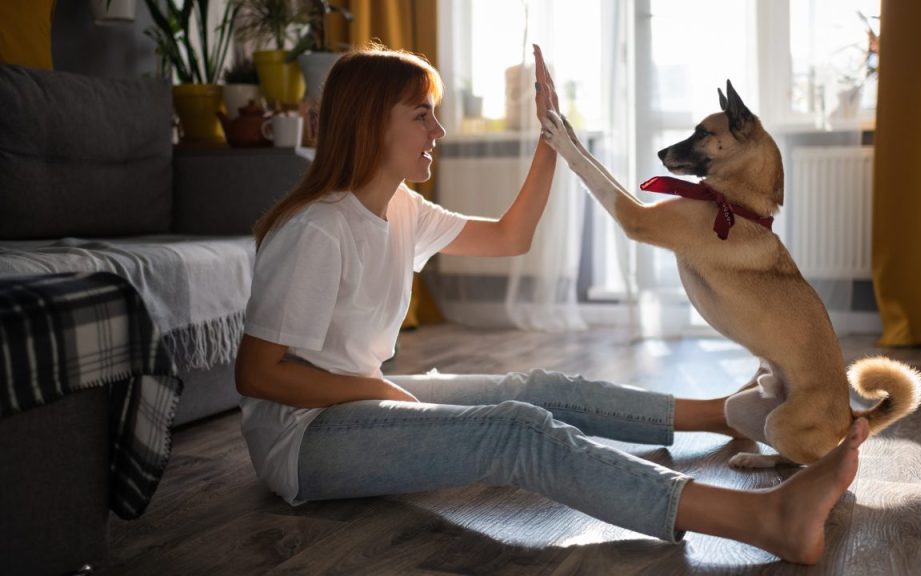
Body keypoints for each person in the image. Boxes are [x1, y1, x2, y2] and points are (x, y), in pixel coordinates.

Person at [234, 42, 868, 566]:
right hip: (305, 440)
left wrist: (551, 141)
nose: (440, 130)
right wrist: (385, 397)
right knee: (517, 430)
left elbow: (511, 237)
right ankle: (764, 517)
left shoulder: (402, 209)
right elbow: (260, 375)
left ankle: (720, 415)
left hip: (361, 395)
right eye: (422, 115)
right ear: (372, 122)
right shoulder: (318, 228)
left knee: (540, 387)